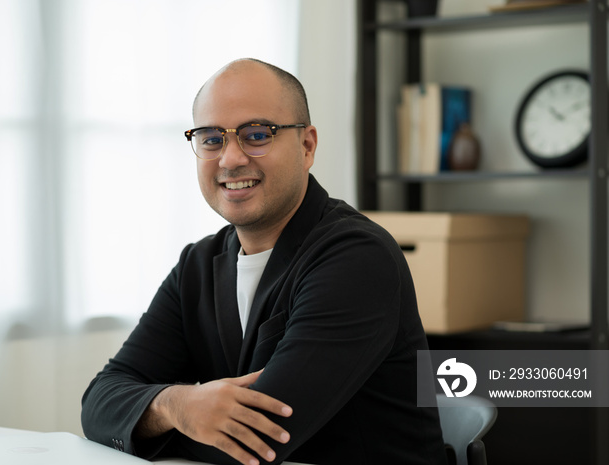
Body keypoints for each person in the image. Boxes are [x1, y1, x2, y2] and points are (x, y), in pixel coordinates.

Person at [81, 58, 447, 465]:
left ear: (306, 146)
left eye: (257, 134)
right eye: (211, 138)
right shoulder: (197, 265)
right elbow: (99, 402)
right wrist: (177, 405)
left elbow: (259, 436)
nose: (230, 158)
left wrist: (147, 423)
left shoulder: (357, 257)